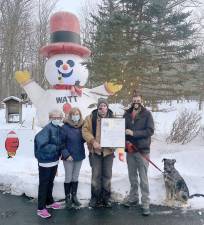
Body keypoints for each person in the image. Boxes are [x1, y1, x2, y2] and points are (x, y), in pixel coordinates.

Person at [123, 92, 154, 216]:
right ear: (132, 101)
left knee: (143, 178)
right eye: (134, 100)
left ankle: (145, 202)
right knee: (132, 177)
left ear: (141, 100)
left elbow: (150, 131)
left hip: (142, 151)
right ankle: (133, 198)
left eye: (138, 100)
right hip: (130, 150)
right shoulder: (126, 114)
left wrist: (134, 133)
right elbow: (121, 129)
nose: (136, 102)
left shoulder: (147, 114)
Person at [82, 98, 114, 208]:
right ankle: (95, 197)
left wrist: (114, 143)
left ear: (107, 107)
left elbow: (118, 134)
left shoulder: (113, 119)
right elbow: (85, 131)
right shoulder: (90, 118)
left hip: (108, 152)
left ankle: (106, 197)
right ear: (98, 108)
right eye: (100, 106)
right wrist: (92, 141)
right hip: (95, 152)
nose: (102, 108)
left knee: (107, 175)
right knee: (96, 176)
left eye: (104, 106)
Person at [34, 109, 66, 218]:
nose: (56, 119)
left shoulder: (58, 128)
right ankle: (41, 208)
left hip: (53, 160)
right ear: (50, 118)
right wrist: (57, 148)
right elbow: (41, 145)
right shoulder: (47, 129)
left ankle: (49, 201)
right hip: (45, 161)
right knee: (44, 184)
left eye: (58, 118)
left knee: (50, 182)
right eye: (54, 117)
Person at [61, 107, 85, 208]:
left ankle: (74, 196)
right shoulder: (65, 127)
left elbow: (85, 138)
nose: (76, 116)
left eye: (77, 114)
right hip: (68, 157)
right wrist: (66, 154)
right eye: (74, 114)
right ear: (70, 116)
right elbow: (61, 143)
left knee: (75, 177)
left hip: (79, 155)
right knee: (68, 177)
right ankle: (67, 196)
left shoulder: (82, 126)